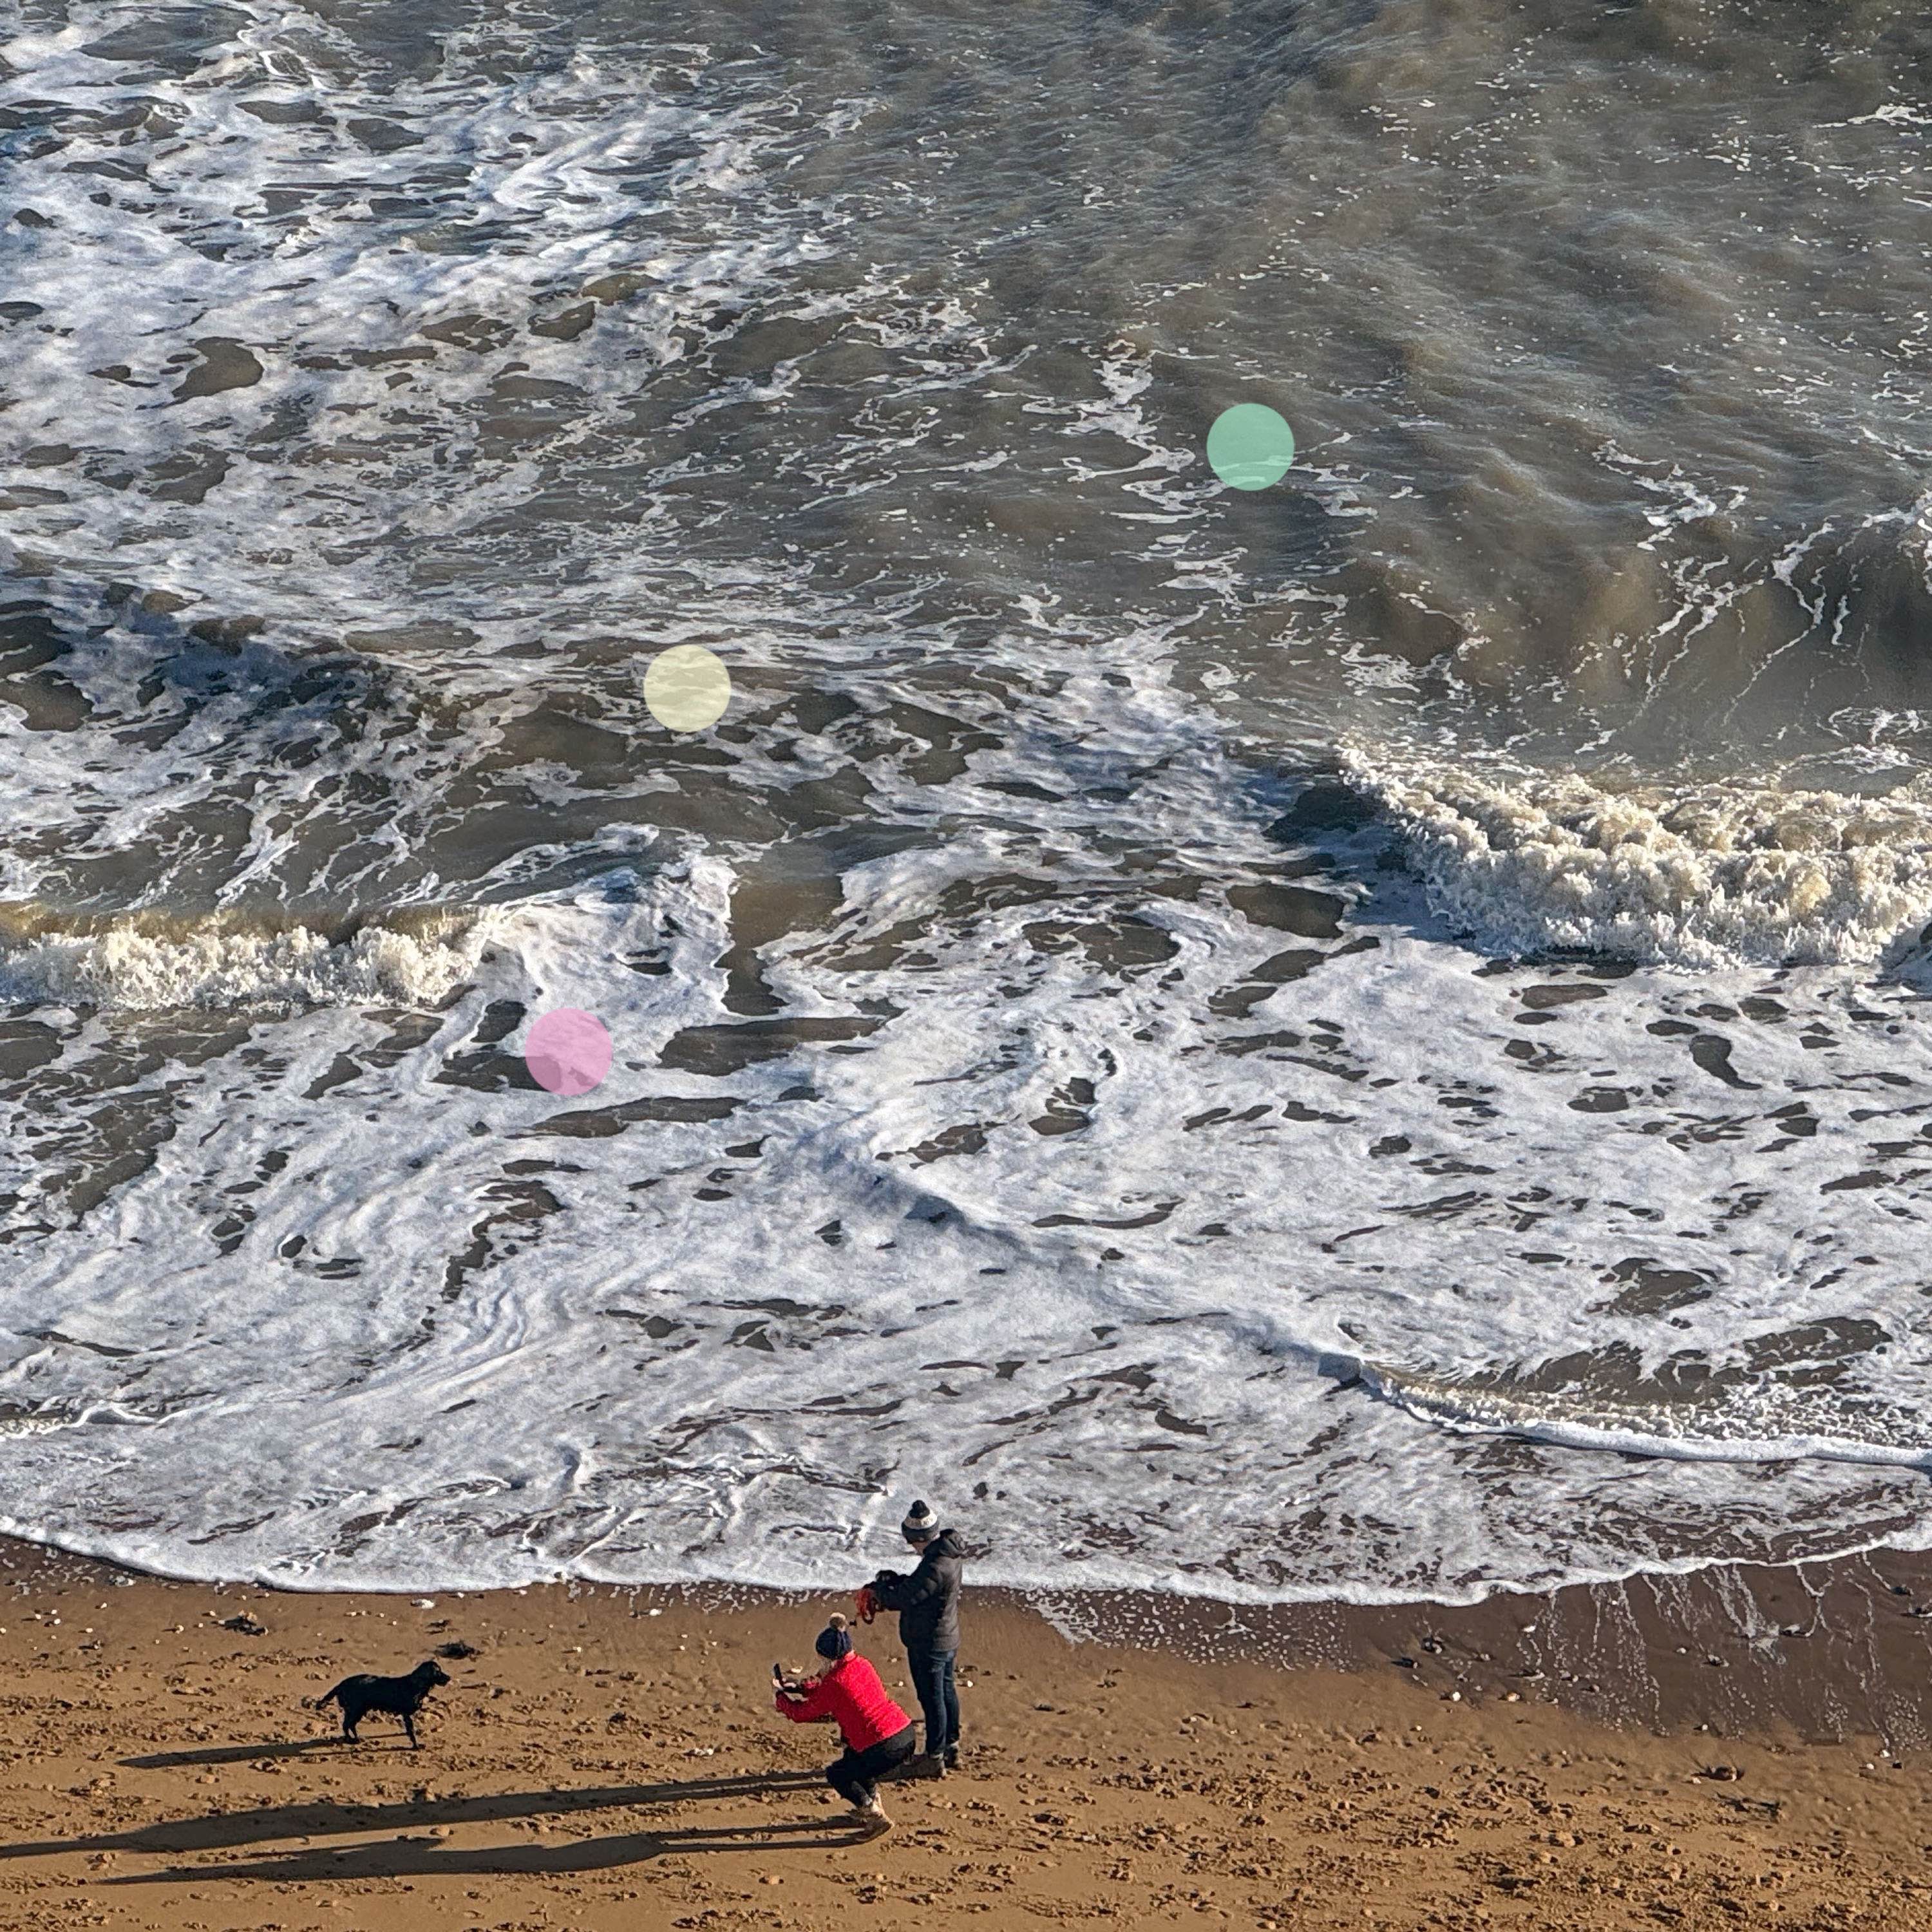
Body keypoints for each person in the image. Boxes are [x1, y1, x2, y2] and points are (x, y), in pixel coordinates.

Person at [772, 1613, 915, 1832]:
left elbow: (803, 1713)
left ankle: (872, 1813)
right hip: (904, 1731)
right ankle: (873, 1804)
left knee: (838, 1774)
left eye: (822, 1660)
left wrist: (781, 1699)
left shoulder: (835, 1682)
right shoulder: (862, 1665)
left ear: (830, 1660)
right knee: (856, 1763)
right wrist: (801, 1687)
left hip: (882, 1744)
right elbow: (834, 1692)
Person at [865, 1498, 964, 1776]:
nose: (911, 1546)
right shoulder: (947, 1555)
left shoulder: (934, 1566)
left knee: (932, 1699)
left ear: (921, 1538)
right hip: (946, 1636)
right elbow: (918, 1589)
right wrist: (895, 1581)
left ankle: (934, 1757)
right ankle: (951, 1746)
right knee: (946, 1692)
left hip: (929, 1642)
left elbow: (907, 1598)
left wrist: (880, 1593)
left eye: (912, 1541)